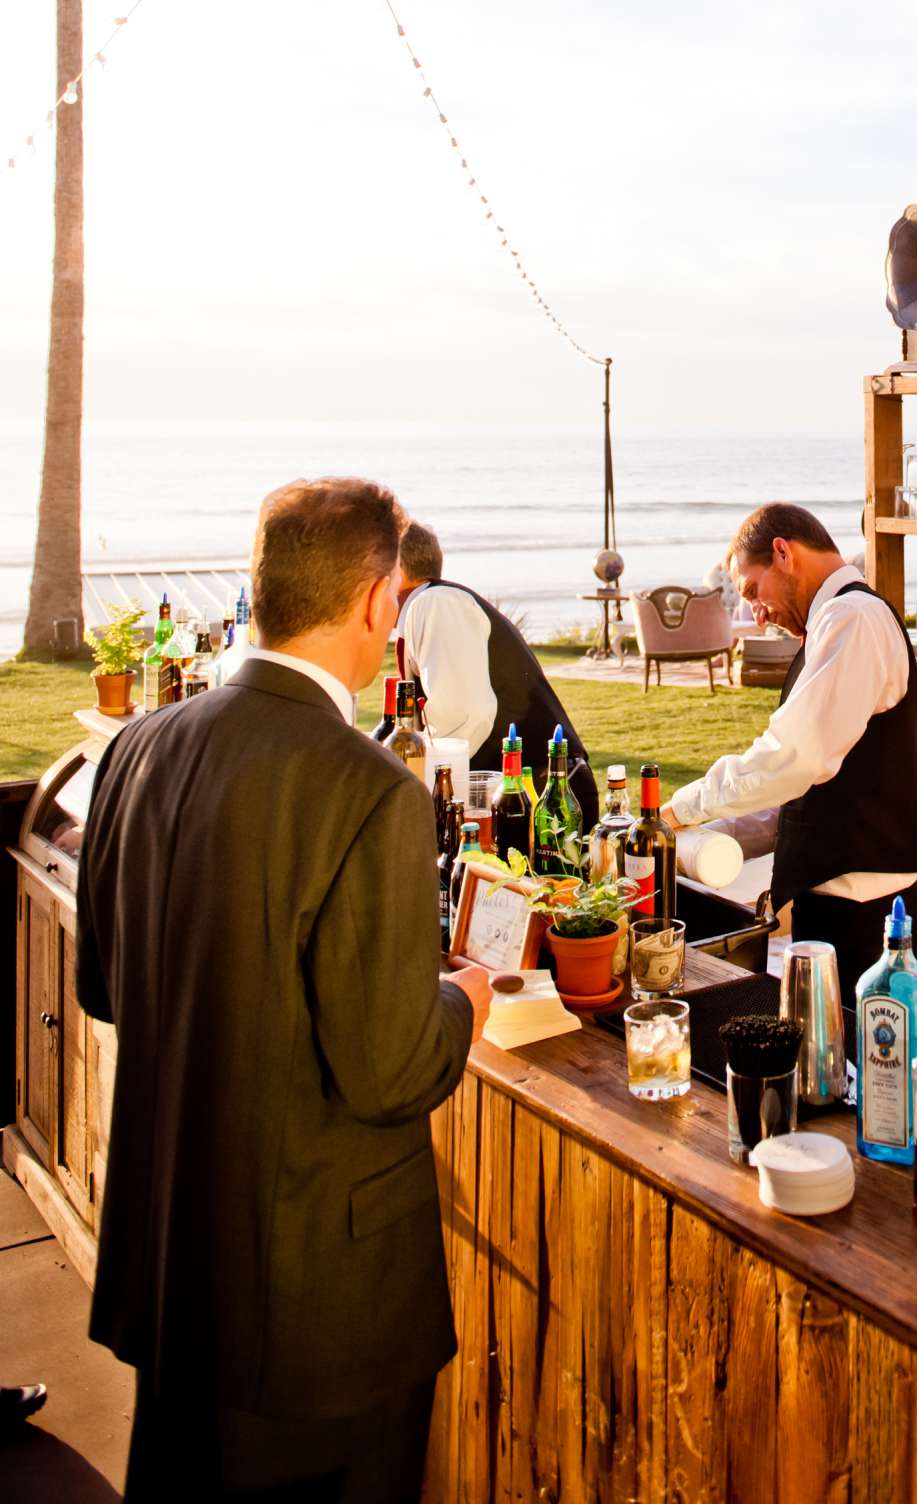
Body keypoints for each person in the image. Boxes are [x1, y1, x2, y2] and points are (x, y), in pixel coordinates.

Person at [76, 477, 491, 1503]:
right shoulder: (368, 794)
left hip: (173, 1274)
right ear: (376, 604)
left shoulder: (135, 748)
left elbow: (102, 985)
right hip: (317, 1313)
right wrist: (464, 1000)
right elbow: (391, 1070)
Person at [662, 502, 917, 995]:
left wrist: (684, 808)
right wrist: (697, 834)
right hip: (838, 923)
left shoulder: (854, 618)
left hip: (873, 932)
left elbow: (792, 758)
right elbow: (802, 797)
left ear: (783, 553)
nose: (756, 613)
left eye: (752, 591)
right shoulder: (836, 623)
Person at [393, 523, 599, 822]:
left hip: (544, 801)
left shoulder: (435, 604)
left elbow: (461, 721)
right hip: (527, 796)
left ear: (398, 570)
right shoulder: (432, 604)